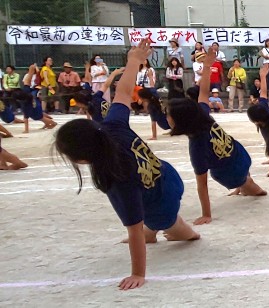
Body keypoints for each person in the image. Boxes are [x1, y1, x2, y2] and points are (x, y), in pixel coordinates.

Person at [54, 39, 200, 291]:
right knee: (149, 217)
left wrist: (138, 274)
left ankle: (171, 230)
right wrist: (133, 61)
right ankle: (153, 231)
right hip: (167, 174)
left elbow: (133, 226)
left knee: (180, 231)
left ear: (82, 158)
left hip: (163, 200)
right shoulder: (112, 126)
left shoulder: (113, 175)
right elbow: (122, 92)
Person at [166, 47, 267, 225]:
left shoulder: (197, 146)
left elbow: (202, 185)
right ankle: (245, 185)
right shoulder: (203, 114)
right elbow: (204, 92)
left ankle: (249, 186)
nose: (166, 118)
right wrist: (206, 67)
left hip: (231, 173)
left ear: (182, 121)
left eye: (169, 115)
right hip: (240, 153)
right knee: (242, 177)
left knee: (253, 188)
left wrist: (206, 214)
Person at [15, 65, 57, 133]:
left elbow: (26, 119)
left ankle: (53, 123)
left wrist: (26, 130)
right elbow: (27, 81)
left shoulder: (25, 105)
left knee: (39, 117)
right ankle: (47, 123)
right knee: (39, 116)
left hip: (34, 107)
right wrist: (31, 71)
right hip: (36, 104)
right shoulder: (26, 91)